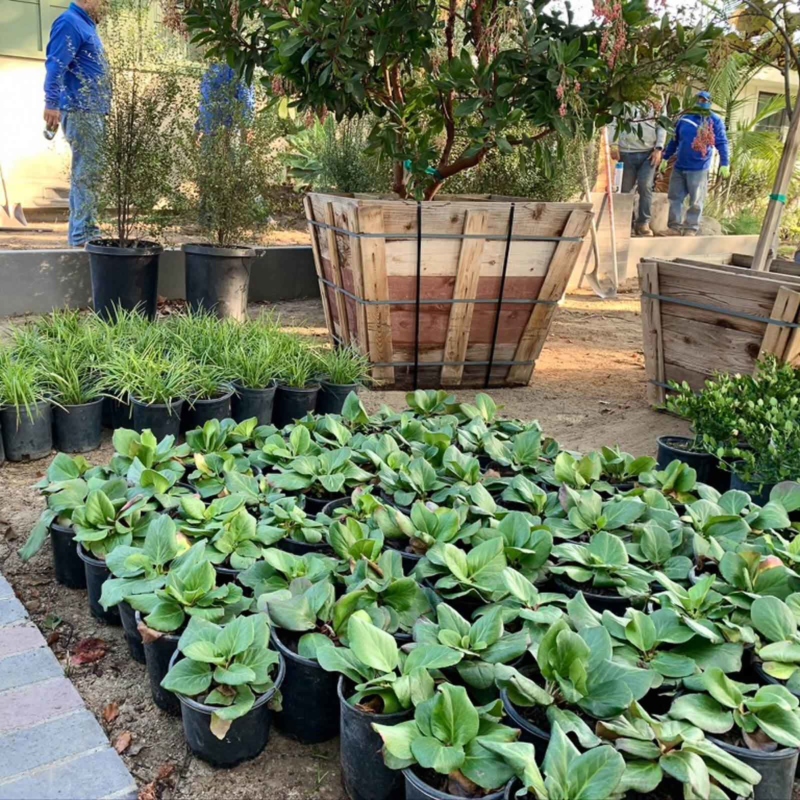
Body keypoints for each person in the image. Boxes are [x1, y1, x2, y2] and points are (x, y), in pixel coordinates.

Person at [43, 1, 110, 247]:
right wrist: (51, 103)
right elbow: (56, 64)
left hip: (92, 110)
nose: (106, 6)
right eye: (103, 1)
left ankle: (84, 232)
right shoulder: (69, 22)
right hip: (81, 110)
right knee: (88, 172)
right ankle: (84, 235)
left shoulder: (85, 25)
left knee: (91, 172)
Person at [660, 91, 730, 236]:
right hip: (680, 165)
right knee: (674, 198)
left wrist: (725, 163)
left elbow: (722, 142)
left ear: (710, 102)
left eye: (705, 100)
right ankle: (674, 227)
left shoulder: (714, 121)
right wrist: (665, 158)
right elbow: (674, 140)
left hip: (699, 167)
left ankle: (691, 228)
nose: (702, 102)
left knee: (696, 201)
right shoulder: (685, 118)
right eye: (700, 99)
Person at [608, 106, 667, 237]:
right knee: (625, 189)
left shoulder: (656, 101)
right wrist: (613, 143)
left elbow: (662, 124)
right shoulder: (624, 99)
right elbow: (612, 121)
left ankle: (643, 223)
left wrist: (659, 148)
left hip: (649, 154)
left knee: (645, 186)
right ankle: (626, 222)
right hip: (626, 152)